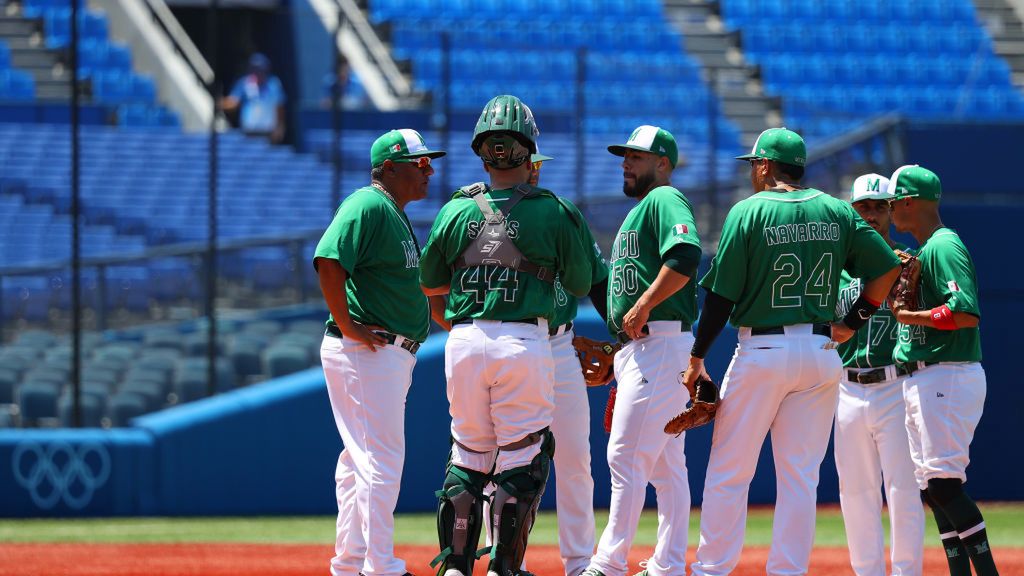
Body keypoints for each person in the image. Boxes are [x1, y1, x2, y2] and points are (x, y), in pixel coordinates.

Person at [682, 128, 901, 576]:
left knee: (730, 470)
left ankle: (710, 570)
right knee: (800, 477)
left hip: (763, 349)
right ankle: (787, 572)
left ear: (765, 165)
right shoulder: (837, 210)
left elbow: (721, 298)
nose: (751, 171)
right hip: (821, 351)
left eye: (753, 164)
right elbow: (887, 269)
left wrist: (697, 356)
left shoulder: (749, 211)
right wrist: (853, 322)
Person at [420, 94, 592, 576]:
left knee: (469, 456)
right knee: (522, 460)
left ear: (482, 151)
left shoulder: (455, 211)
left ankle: (455, 567)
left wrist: (464, 324)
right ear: (528, 151)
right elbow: (580, 284)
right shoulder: (553, 210)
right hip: (524, 342)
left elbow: (430, 283)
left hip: (464, 340)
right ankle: (503, 567)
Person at [314, 129, 446, 576]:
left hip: (384, 352)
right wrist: (349, 324)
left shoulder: (392, 212)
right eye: (419, 163)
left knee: (358, 461)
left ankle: (349, 564)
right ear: (389, 167)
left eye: (429, 162)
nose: (429, 170)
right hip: (367, 350)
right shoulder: (367, 204)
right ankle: (381, 566)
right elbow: (329, 259)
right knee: (381, 458)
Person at [580, 125, 702, 576]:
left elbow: (686, 255)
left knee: (624, 454)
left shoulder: (664, 199)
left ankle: (608, 563)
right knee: (667, 467)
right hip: (646, 347)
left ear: (663, 163)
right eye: (624, 156)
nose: (626, 163)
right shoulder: (641, 211)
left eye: (637, 156)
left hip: (662, 344)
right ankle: (668, 564)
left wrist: (646, 303)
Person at [887, 165, 998, 576]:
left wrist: (910, 314)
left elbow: (965, 312)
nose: (890, 210)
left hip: (945, 374)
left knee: (945, 485)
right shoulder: (927, 249)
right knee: (932, 490)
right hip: (926, 376)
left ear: (911, 202)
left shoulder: (943, 246)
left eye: (894, 202)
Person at [834, 173, 924, 576]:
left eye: (878, 207)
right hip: (847, 388)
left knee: (904, 490)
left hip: (897, 384)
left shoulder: (909, 265)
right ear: (851, 211)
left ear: (891, 211)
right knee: (855, 493)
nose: (870, 214)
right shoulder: (835, 267)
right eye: (863, 206)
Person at [534, 149, 609, 576]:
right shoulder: (485, 212)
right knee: (497, 457)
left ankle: (580, 561)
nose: (536, 167)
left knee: (576, 456)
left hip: (560, 345)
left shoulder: (560, 214)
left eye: (540, 161)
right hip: (516, 343)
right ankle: (500, 556)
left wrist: (621, 334)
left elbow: (597, 280)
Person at [221, 53, 287, 143]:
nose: (257, 72)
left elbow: (279, 107)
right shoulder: (244, 83)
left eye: (259, 69)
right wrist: (218, 103)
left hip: (268, 132)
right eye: (254, 69)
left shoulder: (273, 85)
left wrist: (280, 127)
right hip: (249, 132)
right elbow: (233, 102)